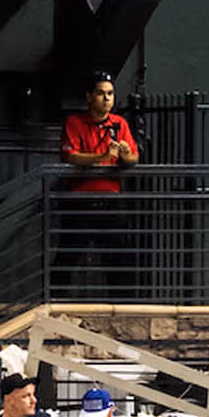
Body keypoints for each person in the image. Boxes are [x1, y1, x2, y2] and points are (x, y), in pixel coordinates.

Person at [57, 71, 141, 295]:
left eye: (110, 94)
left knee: (117, 258)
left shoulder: (120, 123)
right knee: (68, 256)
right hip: (79, 200)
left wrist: (125, 155)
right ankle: (57, 302)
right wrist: (102, 157)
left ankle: (120, 306)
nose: (107, 99)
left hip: (110, 200)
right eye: (101, 93)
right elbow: (70, 156)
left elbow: (134, 158)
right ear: (89, 97)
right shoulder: (74, 122)